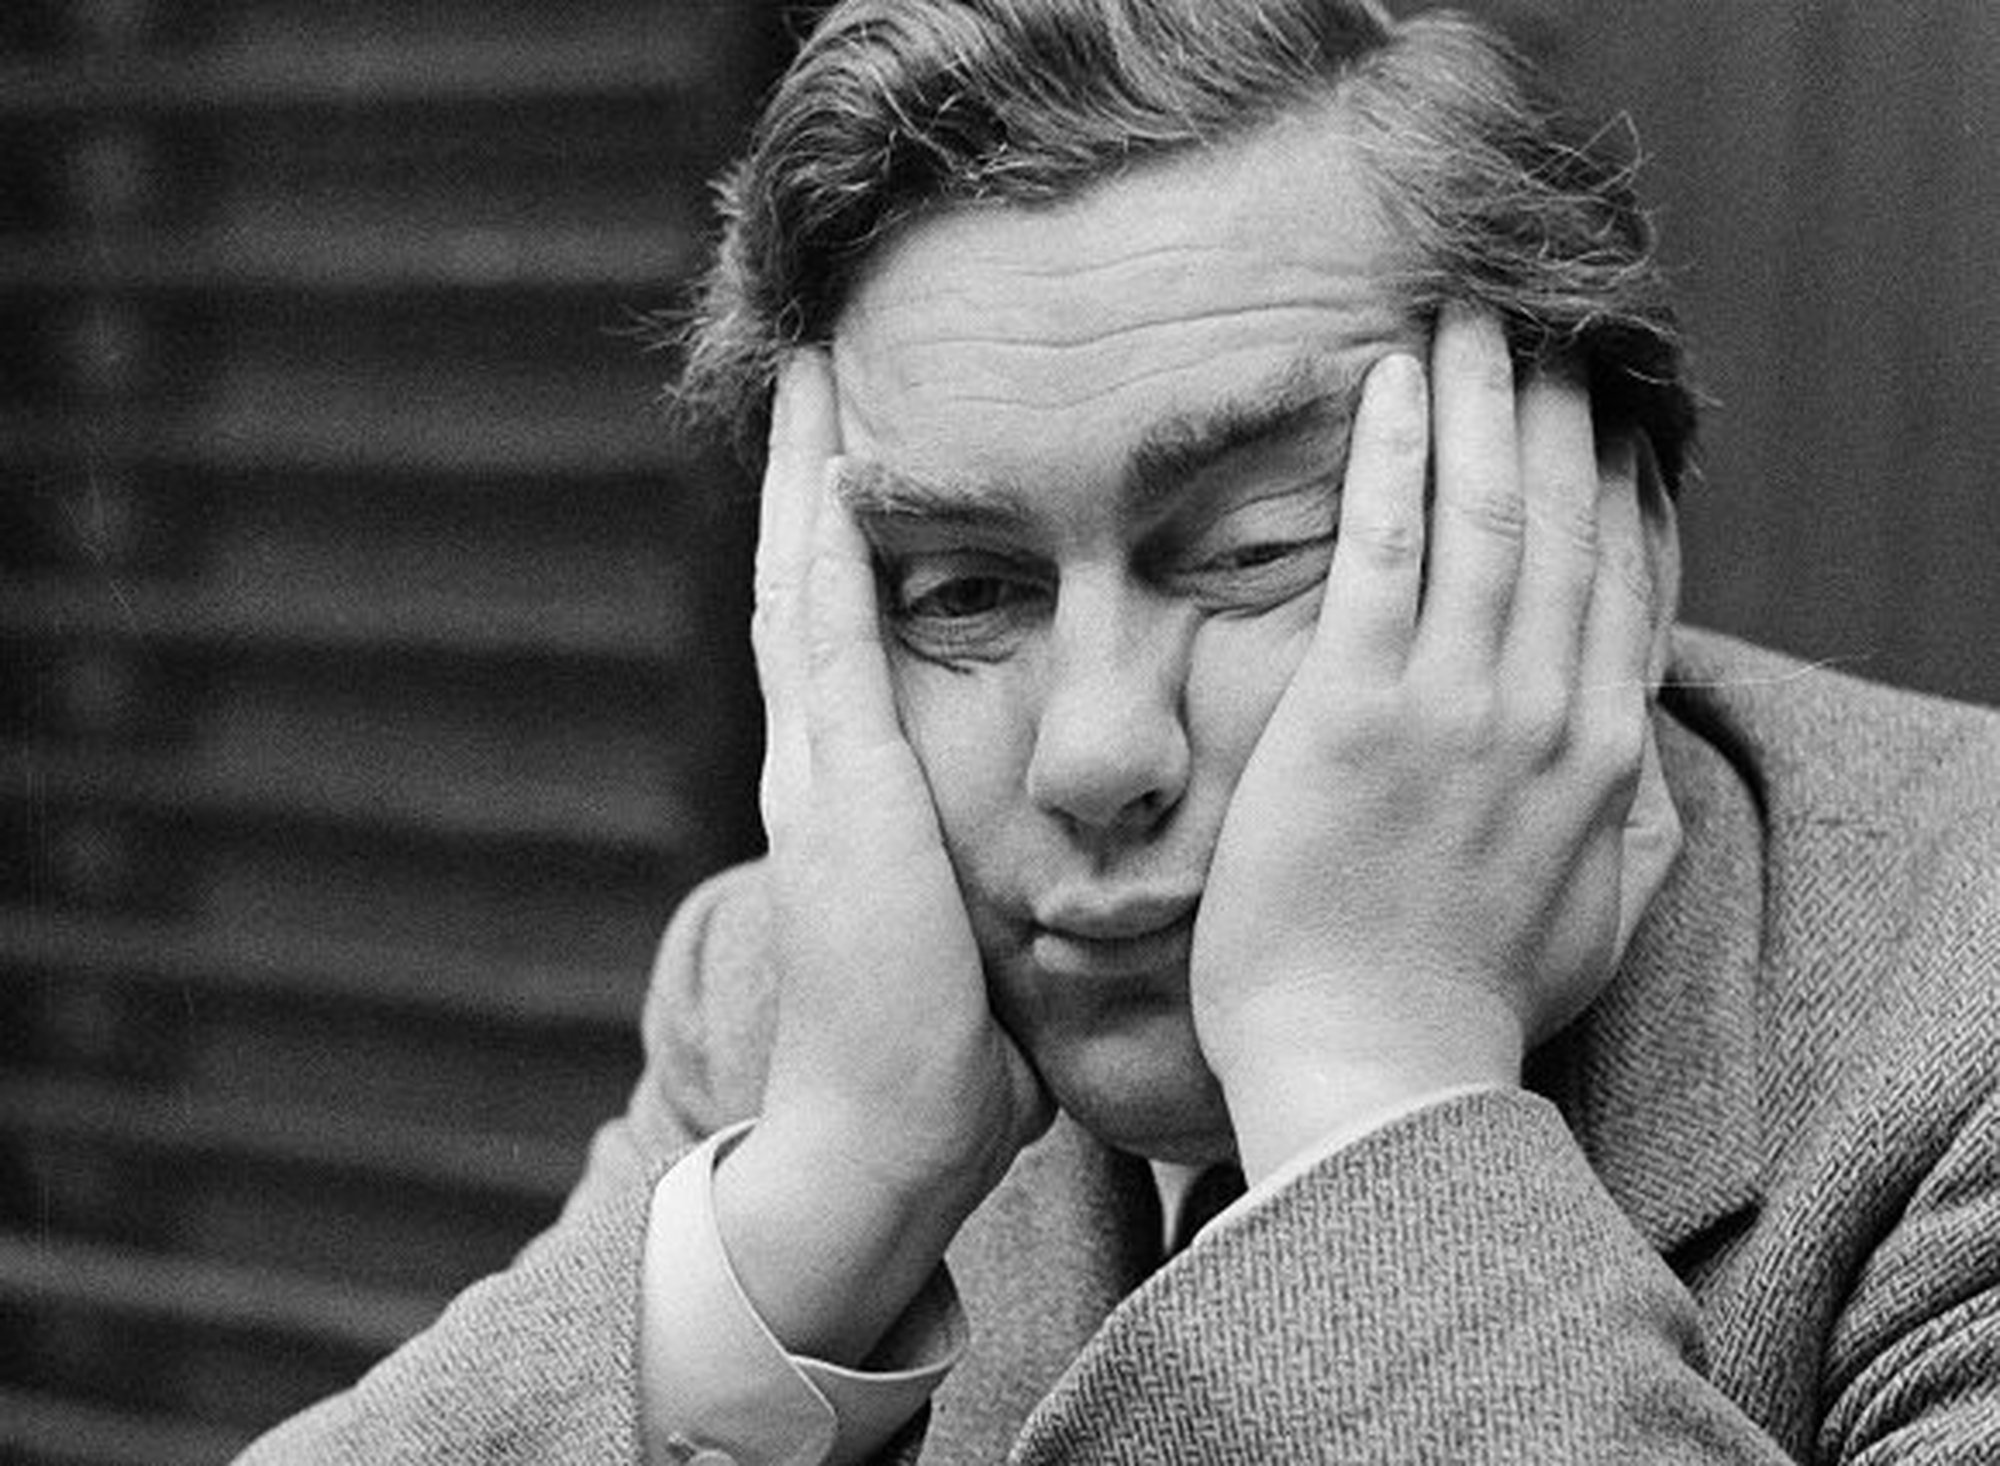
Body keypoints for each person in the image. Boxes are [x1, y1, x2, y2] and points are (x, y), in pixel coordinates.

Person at [241, 1, 2000, 1461]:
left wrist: (1369, 1098)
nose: (1092, 751)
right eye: (962, 590)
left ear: (1606, 542)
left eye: (1254, 550)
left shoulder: (1960, 1026)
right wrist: (823, 1210)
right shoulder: (794, 1008)